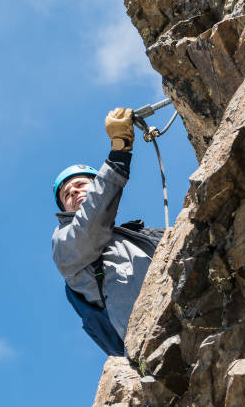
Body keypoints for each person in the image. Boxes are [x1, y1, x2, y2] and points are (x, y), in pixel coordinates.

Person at [52, 107, 164, 356]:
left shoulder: (141, 236)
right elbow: (89, 225)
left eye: (80, 185)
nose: (73, 193)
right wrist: (119, 154)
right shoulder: (65, 246)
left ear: (95, 185)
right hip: (149, 335)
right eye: (66, 195)